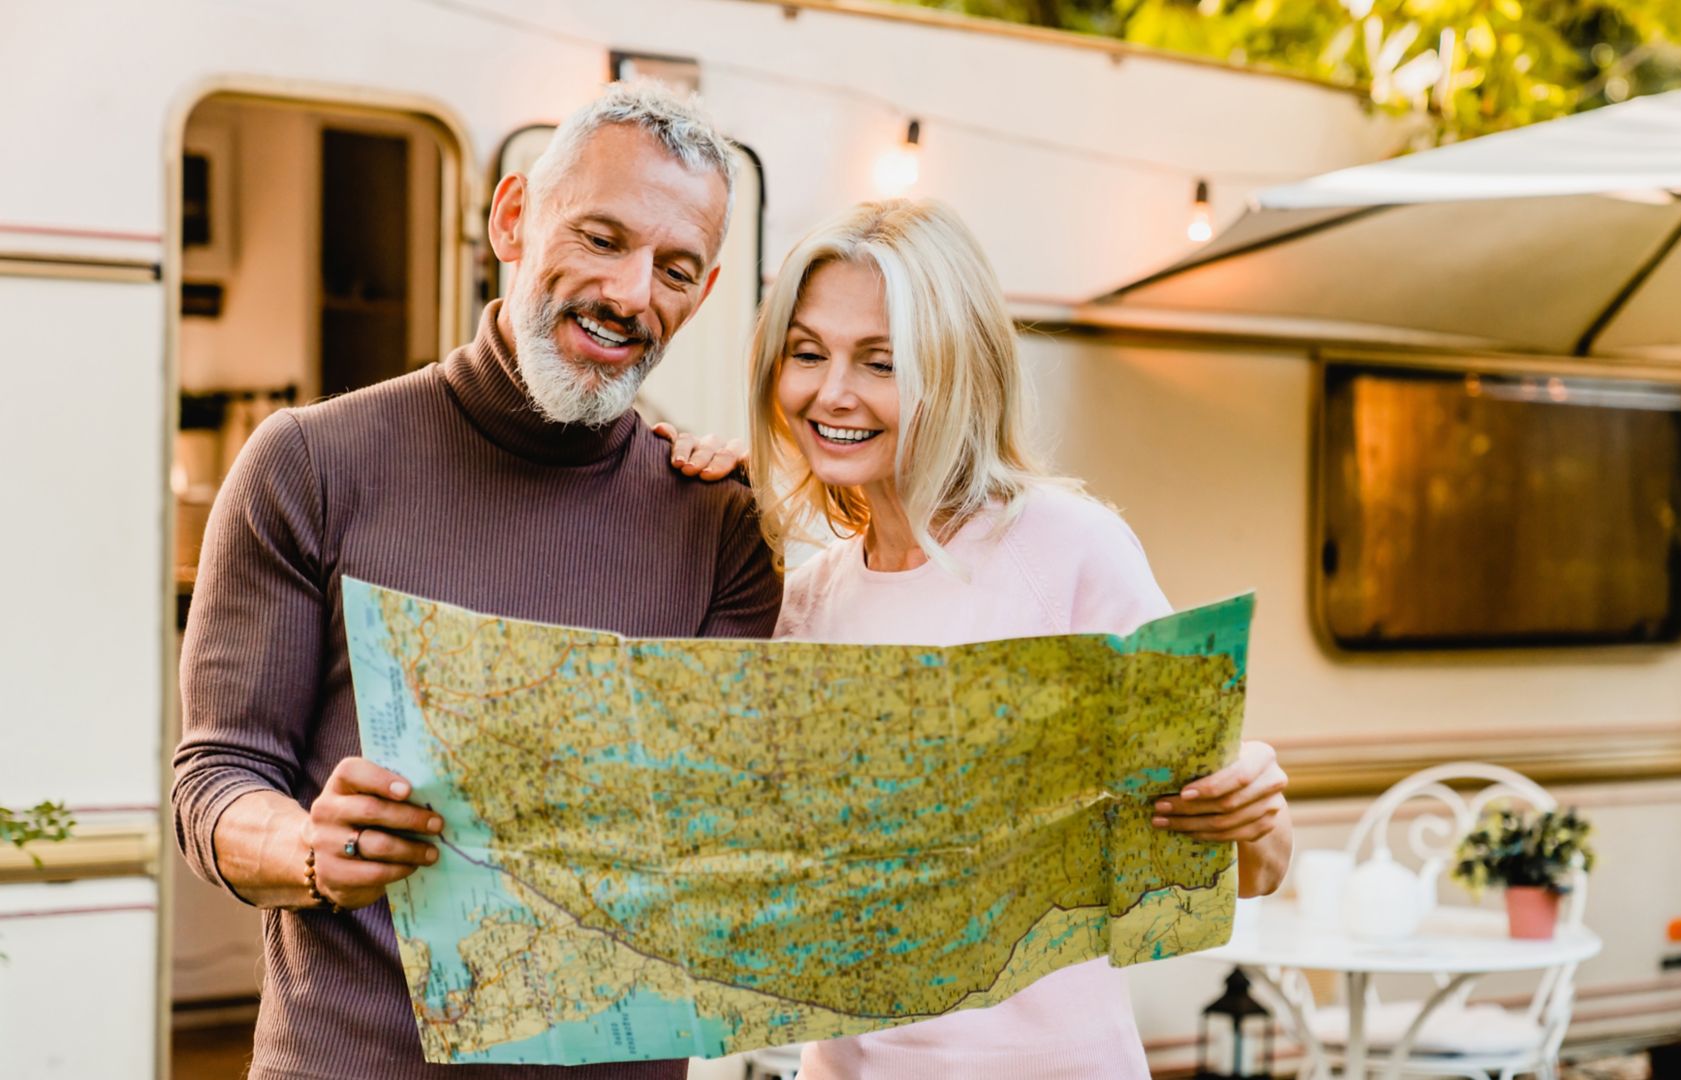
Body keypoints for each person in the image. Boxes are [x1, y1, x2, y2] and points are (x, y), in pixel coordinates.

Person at [171, 82, 781, 1080]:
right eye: (600, 238)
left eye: (675, 267)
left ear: (703, 293)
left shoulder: (718, 525)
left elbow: (727, 839)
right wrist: (311, 850)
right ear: (512, 219)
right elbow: (216, 783)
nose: (632, 295)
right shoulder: (307, 465)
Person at [674, 198, 1293, 1078]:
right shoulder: (801, 604)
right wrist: (682, 505)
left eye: (881, 362)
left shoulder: (1066, 548)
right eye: (806, 353)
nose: (832, 392)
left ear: (957, 369)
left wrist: (1252, 807)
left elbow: (1256, 867)